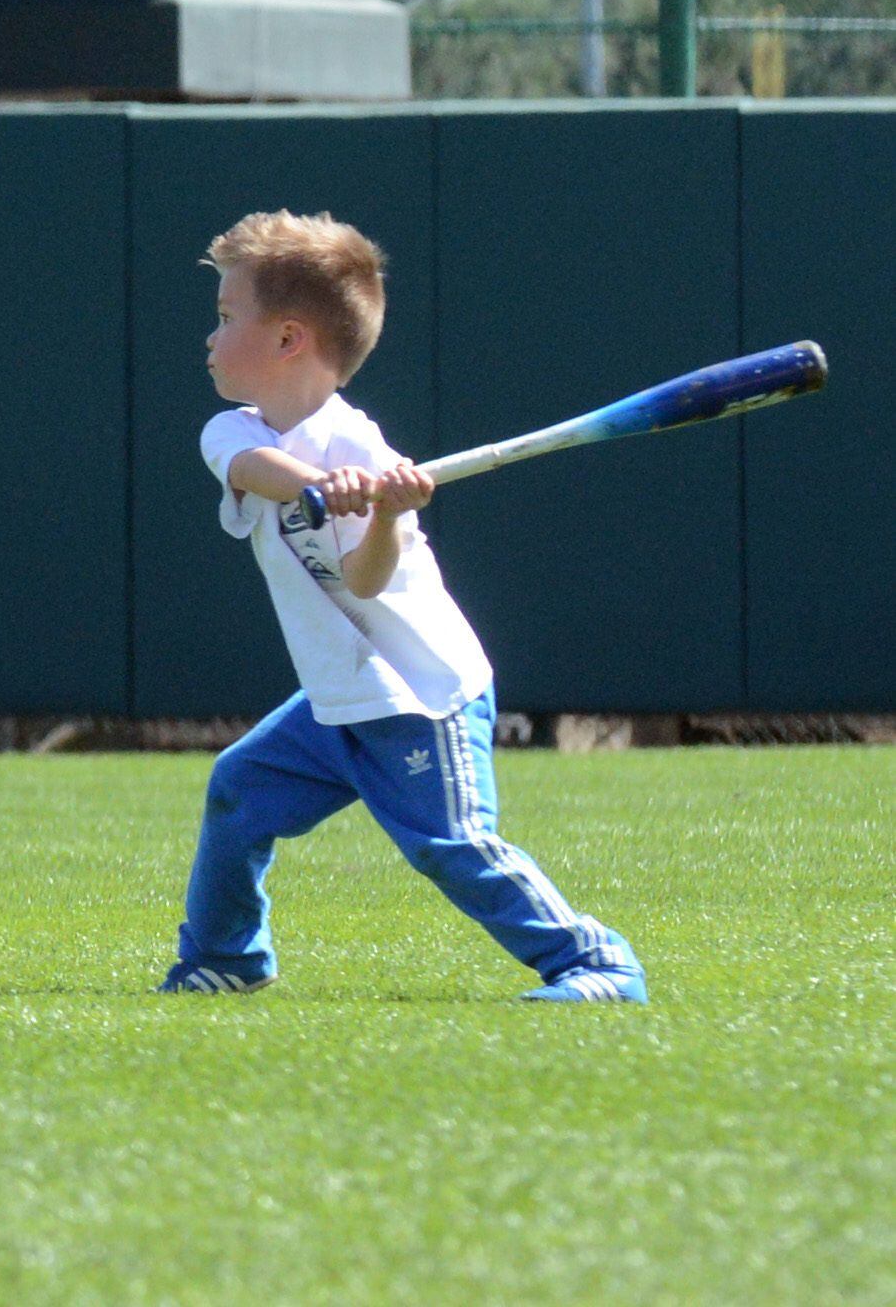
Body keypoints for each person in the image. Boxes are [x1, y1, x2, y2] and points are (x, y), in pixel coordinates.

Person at [156, 210, 645, 1002]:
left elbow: (366, 580)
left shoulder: (365, 451)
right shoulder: (233, 430)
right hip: (337, 697)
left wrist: (384, 512)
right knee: (240, 791)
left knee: (451, 845)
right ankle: (228, 957)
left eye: (225, 317)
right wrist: (323, 488)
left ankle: (597, 964)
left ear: (288, 339)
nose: (210, 339)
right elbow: (254, 468)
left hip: (418, 693)